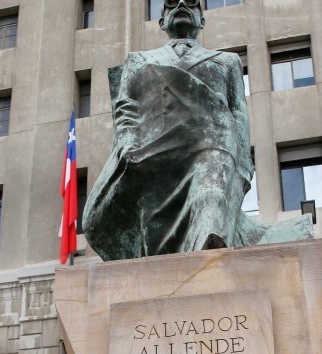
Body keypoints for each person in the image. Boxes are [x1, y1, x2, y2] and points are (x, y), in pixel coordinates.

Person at [81, 0, 308, 260]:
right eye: (170, 4)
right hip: (155, 152)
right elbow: (125, 108)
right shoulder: (138, 60)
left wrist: (243, 161)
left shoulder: (227, 61)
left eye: (192, 3)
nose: (181, 4)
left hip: (213, 143)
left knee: (211, 193)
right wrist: (127, 144)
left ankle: (209, 249)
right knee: (153, 228)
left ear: (202, 21)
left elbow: (238, 112)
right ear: (161, 22)